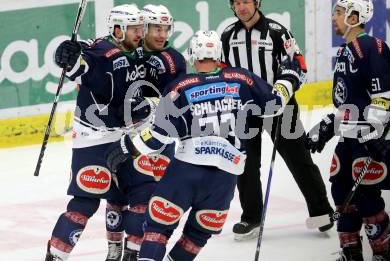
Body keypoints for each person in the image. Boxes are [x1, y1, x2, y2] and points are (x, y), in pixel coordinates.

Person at [105, 30, 304, 261]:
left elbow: (159, 136)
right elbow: (275, 105)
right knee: (197, 236)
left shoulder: (181, 87)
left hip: (186, 173)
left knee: (157, 231)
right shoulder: (242, 79)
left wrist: (127, 147)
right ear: (218, 54)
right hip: (224, 180)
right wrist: (288, 77)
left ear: (192, 55)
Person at [221, 0, 334, 239]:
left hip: (279, 106)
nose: (242, 7)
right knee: (245, 165)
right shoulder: (228, 36)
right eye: (237, 3)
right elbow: (223, 72)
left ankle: (321, 210)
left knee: (299, 158)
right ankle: (251, 217)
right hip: (245, 110)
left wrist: (282, 90)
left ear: (257, 1)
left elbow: (297, 64)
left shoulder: (276, 31)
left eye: (246, 1)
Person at [45, 4, 154, 261]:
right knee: (85, 203)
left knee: (143, 192)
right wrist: (68, 57)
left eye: (141, 28)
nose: (140, 33)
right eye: (133, 29)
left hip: (126, 136)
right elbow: (80, 64)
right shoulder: (103, 53)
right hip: (93, 140)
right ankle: (55, 256)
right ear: (117, 30)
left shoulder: (134, 51)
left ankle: (128, 254)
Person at [306, 0, 390, 261]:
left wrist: (377, 134)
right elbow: (350, 102)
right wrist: (329, 126)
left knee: (365, 196)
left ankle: (382, 253)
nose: (333, 18)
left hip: (374, 137)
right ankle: (351, 253)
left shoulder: (372, 47)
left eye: (338, 13)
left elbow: (385, 96)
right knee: (341, 189)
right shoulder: (345, 51)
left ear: (354, 17)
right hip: (352, 135)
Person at [104, 3, 187, 260]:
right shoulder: (130, 51)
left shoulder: (173, 61)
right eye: (156, 28)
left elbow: (174, 103)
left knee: (146, 196)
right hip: (123, 133)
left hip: (156, 139)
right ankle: (114, 248)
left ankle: (134, 250)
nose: (162, 35)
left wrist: (148, 107)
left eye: (166, 29)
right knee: (116, 194)